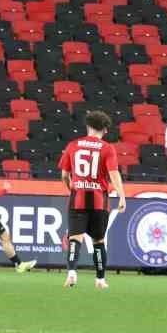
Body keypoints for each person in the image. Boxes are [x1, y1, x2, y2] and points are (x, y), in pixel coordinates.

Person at [58, 110, 125, 289]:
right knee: (99, 241)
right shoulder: (107, 148)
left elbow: (64, 174)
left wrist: (72, 187)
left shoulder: (73, 145)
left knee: (75, 238)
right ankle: (100, 280)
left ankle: (72, 273)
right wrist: (121, 195)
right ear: (105, 130)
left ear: (88, 126)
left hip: (77, 198)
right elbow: (113, 173)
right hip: (99, 201)